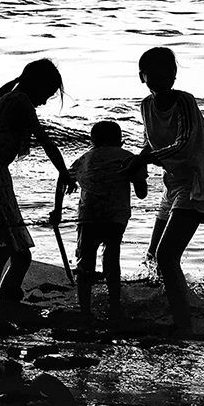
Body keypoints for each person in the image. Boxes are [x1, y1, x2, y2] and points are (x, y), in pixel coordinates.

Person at [121, 47, 204, 335]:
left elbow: (183, 142)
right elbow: (150, 143)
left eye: (167, 70)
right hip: (171, 184)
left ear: (174, 74)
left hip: (196, 183)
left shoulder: (184, 101)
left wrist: (143, 160)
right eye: (153, 72)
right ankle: (168, 310)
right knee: (153, 257)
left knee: (167, 257)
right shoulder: (146, 105)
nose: (162, 76)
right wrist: (136, 165)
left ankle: (184, 326)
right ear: (142, 76)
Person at [0, 58, 74, 327]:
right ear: (36, 85)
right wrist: (63, 172)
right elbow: (45, 140)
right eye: (47, 94)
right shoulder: (21, 101)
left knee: (5, 251)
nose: (44, 102)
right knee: (14, 253)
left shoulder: (0, 97)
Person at [51, 120, 147, 324]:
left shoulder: (84, 158)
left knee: (85, 262)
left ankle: (85, 310)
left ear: (92, 140)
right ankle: (115, 309)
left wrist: (57, 210)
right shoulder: (128, 157)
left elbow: (63, 179)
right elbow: (141, 193)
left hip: (88, 216)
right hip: (116, 217)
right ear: (120, 139)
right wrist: (139, 172)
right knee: (111, 258)